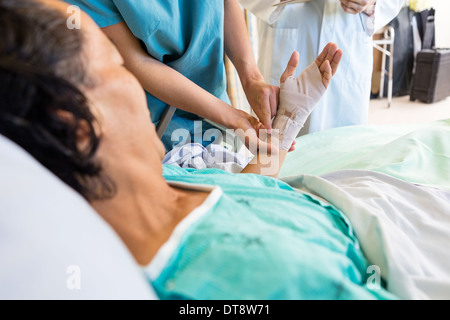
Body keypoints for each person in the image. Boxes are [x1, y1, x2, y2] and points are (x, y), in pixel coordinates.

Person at [0, 0, 395, 299]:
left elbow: (250, 187)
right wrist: (238, 117)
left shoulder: (183, 177)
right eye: (117, 70)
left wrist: (286, 117)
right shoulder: (243, 273)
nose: (133, 84)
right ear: (77, 123)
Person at [65, 0, 281, 153]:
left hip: (216, 109)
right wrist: (232, 117)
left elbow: (226, 2)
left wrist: (251, 78)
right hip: (157, 123)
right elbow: (137, 62)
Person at [239, 0, 404, 134]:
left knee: (343, 154)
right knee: (278, 151)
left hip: (349, 37)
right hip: (290, 26)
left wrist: (372, 3)